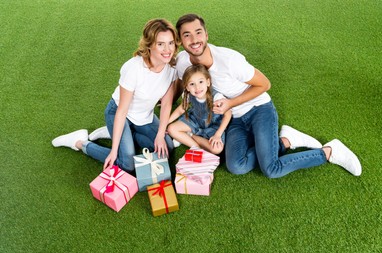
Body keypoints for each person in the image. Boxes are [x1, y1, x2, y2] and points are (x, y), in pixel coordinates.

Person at [174, 13, 362, 177]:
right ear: (181, 41)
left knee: (271, 168)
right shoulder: (184, 62)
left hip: (259, 109)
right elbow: (181, 83)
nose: (194, 39)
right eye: (187, 35)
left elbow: (264, 84)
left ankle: (329, 152)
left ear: (206, 35)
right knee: (236, 166)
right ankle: (286, 141)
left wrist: (231, 103)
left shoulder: (229, 60)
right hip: (234, 120)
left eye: (198, 32)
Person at [52, 18, 179, 173]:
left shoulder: (172, 67)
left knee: (167, 147)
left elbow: (166, 104)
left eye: (171, 43)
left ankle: (119, 134)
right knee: (127, 164)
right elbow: (122, 110)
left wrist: (160, 135)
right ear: (150, 45)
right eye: (161, 44)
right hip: (119, 114)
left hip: (144, 117)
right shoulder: (134, 68)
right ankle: (79, 142)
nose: (167, 49)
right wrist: (113, 151)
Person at [167, 64, 232, 154]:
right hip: (195, 121)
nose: (197, 87)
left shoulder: (217, 97)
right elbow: (180, 110)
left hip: (213, 126)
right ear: (187, 87)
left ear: (208, 82)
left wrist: (218, 134)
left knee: (217, 149)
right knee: (171, 129)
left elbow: (228, 114)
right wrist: (166, 122)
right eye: (192, 84)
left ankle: (189, 135)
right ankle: (196, 147)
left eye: (201, 82)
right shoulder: (189, 95)